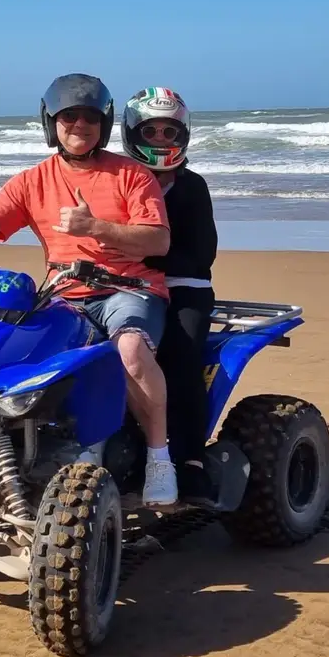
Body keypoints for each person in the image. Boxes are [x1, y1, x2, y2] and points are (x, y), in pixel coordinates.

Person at [0, 74, 179, 505]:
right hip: (62, 295)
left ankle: (159, 458)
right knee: (4, 348)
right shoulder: (32, 181)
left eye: (89, 117)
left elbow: (157, 240)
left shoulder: (131, 175)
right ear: (51, 122)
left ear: (104, 124)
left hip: (129, 291)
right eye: (69, 116)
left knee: (129, 350)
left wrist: (95, 227)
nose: (79, 125)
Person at [121, 86, 218, 501]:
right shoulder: (119, 180)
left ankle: (191, 461)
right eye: (151, 131)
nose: (160, 139)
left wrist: (147, 256)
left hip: (184, 288)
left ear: (183, 135)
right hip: (126, 287)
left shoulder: (191, 186)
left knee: (180, 358)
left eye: (169, 131)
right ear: (132, 133)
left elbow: (202, 256)